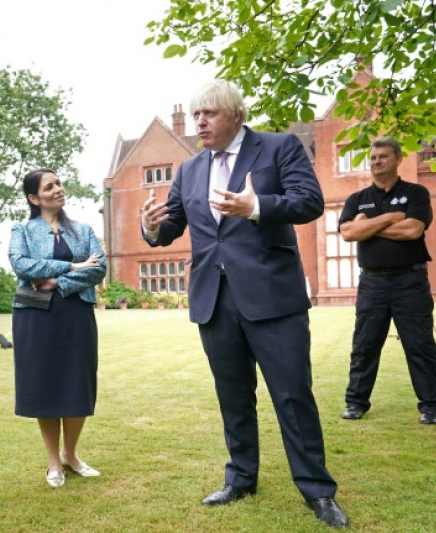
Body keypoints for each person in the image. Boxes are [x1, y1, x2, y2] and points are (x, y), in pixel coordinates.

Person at [141, 80, 347, 527]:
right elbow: (171, 227)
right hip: (214, 300)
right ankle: (240, 478)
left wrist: (257, 207)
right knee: (233, 396)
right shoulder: (190, 169)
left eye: (209, 113)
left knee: (292, 396)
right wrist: (151, 226)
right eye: (196, 115)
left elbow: (310, 202)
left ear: (235, 115)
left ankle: (317, 491)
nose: (200, 122)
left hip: (273, 297)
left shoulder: (278, 148)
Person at [8, 168, 106, 488]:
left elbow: (99, 268)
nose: (58, 189)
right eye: (49, 187)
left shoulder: (84, 230)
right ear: (34, 198)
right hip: (36, 317)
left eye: (59, 184)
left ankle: (71, 455)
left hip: (76, 314)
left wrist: (57, 282)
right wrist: (72, 265)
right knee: (45, 385)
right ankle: (53, 461)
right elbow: (22, 265)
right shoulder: (22, 229)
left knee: (77, 383)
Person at [338, 136, 436, 425]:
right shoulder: (357, 199)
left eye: (383, 157)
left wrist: (367, 226)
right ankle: (355, 402)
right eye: (373, 158)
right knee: (364, 345)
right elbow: (348, 233)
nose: (376, 162)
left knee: (420, 345)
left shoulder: (416, 193)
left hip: (409, 281)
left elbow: (412, 230)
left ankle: (431, 406)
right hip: (371, 283)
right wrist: (391, 218)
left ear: (398, 159)